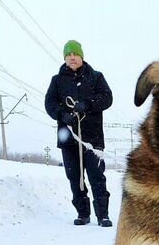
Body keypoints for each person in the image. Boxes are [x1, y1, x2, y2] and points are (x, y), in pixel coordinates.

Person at [45, 40, 113, 227]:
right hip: (68, 137)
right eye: (68, 55)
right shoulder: (57, 81)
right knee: (74, 177)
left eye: (75, 54)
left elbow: (107, 98)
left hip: (92, 138)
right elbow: (49, 103)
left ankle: (103, 215)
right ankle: (83, 214)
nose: (72, 58)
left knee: (96, 176)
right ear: (65, 58)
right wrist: (62, 114)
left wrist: (88, 104)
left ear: (81, 56)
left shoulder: (96, 77)